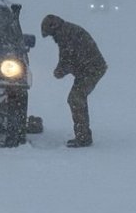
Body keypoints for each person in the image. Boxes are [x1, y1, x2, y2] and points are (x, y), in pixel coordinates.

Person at [40, 14, 108, 148]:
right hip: (87, 70)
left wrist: (60, 71)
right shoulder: (66, 31)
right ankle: (83, 135)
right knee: (77, 99)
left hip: (92, 70)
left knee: (76, 98)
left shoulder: (65, 34)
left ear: (54, 28)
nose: (52, 38)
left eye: (50, 34)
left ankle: (83, 138)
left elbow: (67, 57)